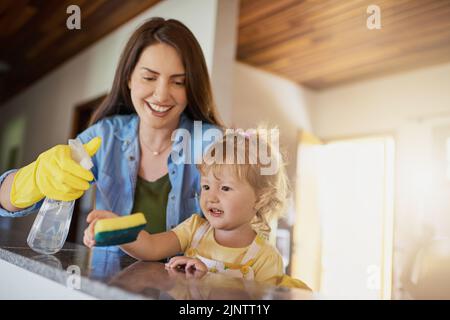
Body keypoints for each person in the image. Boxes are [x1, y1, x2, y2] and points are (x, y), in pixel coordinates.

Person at [0, 18, 223, 251]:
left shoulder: (212, 144)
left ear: (191, 88)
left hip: (188, 286)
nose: (161, 95)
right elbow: (3, 199)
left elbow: (244, 224)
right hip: (106, 283)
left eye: (178, 82)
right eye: (149, 78)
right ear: (128, 78)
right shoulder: (105, 136)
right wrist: (34, 178)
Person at [83, 129, 311, 290]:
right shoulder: (194, 229)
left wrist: (208, 278)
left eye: (225, 188)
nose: (211, 196)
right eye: (206, 186)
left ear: (260, 199)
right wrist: (118, 230)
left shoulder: (265, 258)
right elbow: (151, 247)